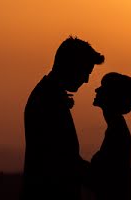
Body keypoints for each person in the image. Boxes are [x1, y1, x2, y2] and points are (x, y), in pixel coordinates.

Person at [21, 36, 105, 199]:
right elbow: (61, 160)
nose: (87, 80)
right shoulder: (48, 101)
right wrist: (101, 180)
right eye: (85, 72)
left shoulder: (47, 95)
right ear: (72, 67)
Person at [90, 72, 131, 200]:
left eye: (103, 88)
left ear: (112, 96)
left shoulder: (117, 134)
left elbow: (101, 179)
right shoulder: (117, 129)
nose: (96, 89)